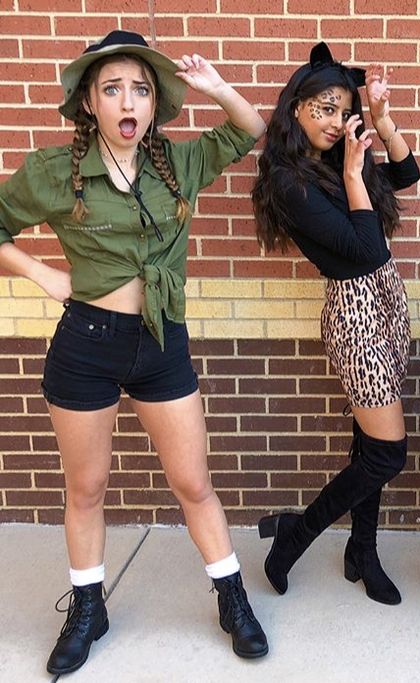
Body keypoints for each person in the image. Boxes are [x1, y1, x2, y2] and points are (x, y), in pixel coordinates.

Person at [0, 30, 269, 673]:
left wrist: (215, 87)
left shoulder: (177, 165)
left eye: (141, 89)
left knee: (192, 481)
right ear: (89, 102)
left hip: (160, 342)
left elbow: (249, 129)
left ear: (154, 104)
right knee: (86, 487)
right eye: (112, 87)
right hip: (85, 345)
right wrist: (41, 274)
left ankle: (231, 597)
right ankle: (89, 608)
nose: (128, 100)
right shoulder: (52, 170)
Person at [251, 42, 420, 605]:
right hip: (356, 313)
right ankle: (293, 537)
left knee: (366, 443)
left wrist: (381, 119)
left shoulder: (333, 159)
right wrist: (352, 170)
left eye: (340, 109)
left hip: (388, 301)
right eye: (322, 107)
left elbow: (407, 173)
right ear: (295, 107)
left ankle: (362, 551)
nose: (332, 120)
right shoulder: (286, 177)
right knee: (387, 454)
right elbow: (364, 247)